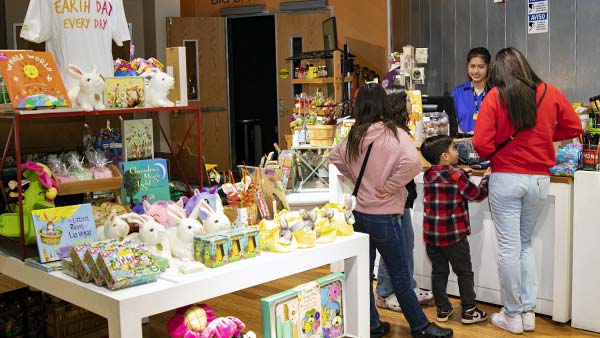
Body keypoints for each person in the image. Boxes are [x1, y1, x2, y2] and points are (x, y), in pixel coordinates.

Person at [472, 47, 583, 334]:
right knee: (524, 245)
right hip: (539, 180)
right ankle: (527, 312)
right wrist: (546, 134)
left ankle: (512, 315)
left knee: (509, 248)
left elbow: (481, 145)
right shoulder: (550, 92)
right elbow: (572, 126)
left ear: (497, 72)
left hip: (506, 178)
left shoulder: (495, 97)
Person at [329, 82, 453, 338]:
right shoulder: (394, 133)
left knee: (363, 272)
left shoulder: (355, 134)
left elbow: (335, 156)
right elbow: (413, 165)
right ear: (383, 104)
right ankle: (420, 327)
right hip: (384, 215)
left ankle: (372, 325)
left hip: (359, 214)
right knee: (400, 275)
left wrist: (358, 178)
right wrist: (388, 185)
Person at [420, 135, 490, 325]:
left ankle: (442, 309)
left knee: (439, 272)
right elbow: (476, 194)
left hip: (432, 237)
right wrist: (486, 179)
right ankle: (469, 310)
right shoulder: (457, 176)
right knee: (464, 272)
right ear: (444, 156)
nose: (457, 152)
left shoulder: (428, 174)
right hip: (454, 236)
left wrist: (460, 172)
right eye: (453, 149)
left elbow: (447, 178)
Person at [375, 86, 433, 312]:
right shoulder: (389, 133)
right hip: (392, 201)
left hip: (402, 199)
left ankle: (406, 287)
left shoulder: (397, 130)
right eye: (408, 100)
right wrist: (390, 186)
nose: (412, 103)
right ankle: (386, 293)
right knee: (395, 247)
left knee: (405, 244)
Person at [451, 47, 492, 134]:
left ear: (488, 67)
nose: (476, 71)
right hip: (462, 143)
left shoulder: (495, 92)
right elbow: (451, 123)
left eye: (481, 67)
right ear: (467, 66)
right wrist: (463, 136)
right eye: (472, 66)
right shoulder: (458, 93)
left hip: (489, 145)